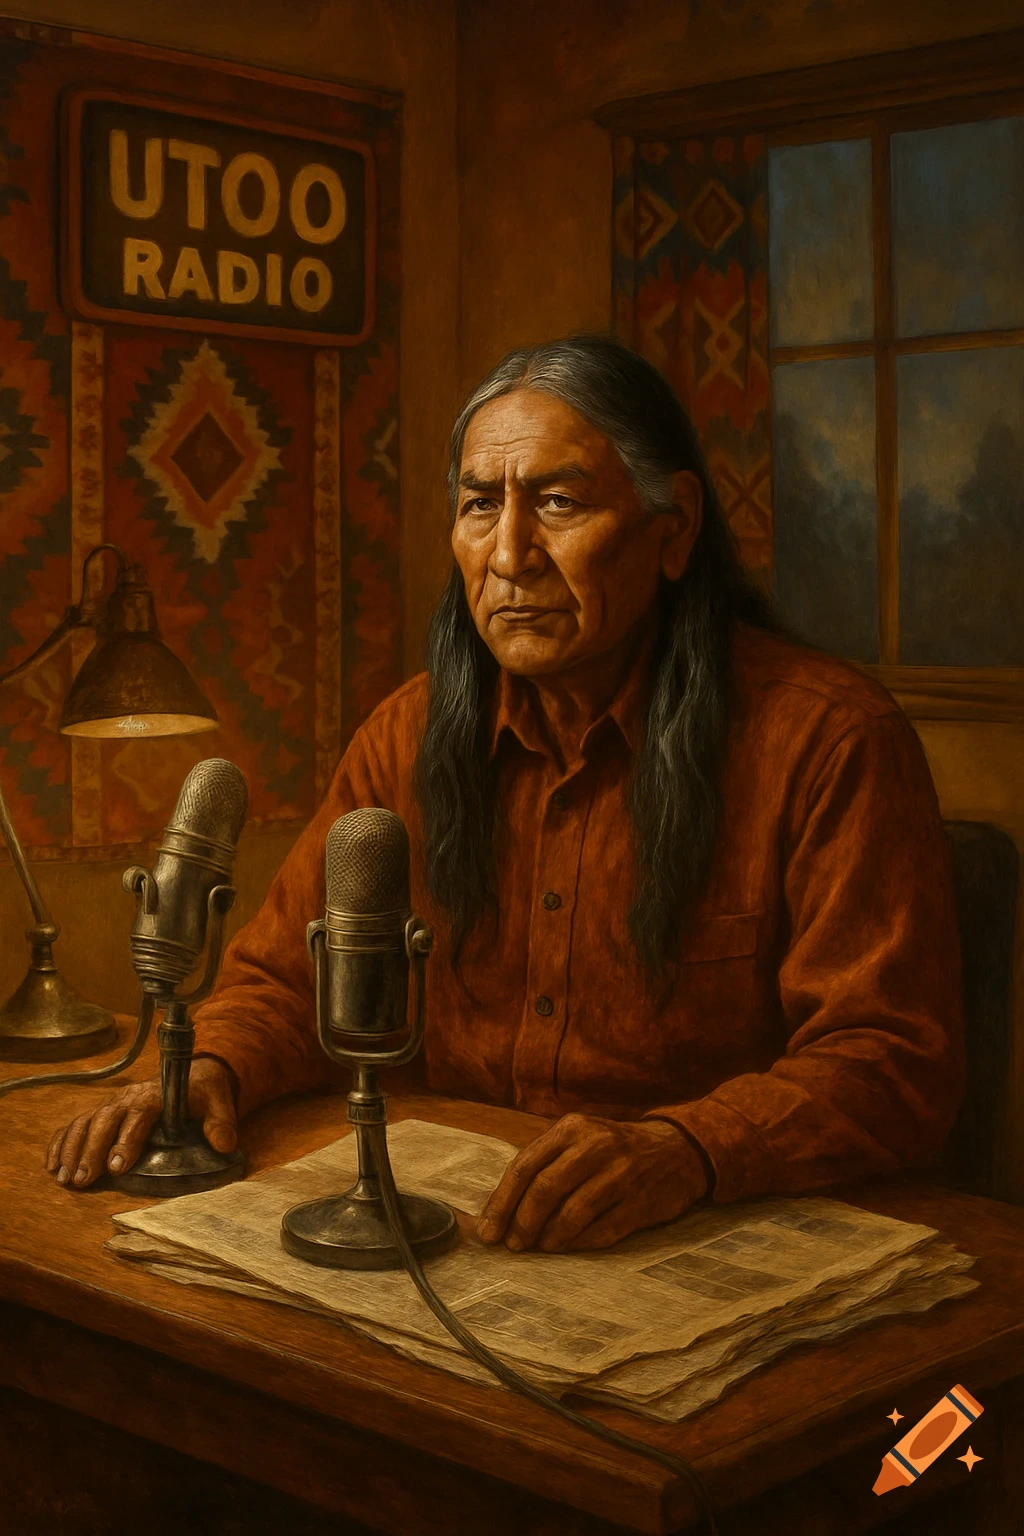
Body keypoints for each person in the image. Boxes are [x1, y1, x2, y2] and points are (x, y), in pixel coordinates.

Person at [46, 336, 964, 1254]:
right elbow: (288, 982)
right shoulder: (406, 737)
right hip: (445, 1226)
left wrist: (688, 1148)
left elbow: (891, 1062)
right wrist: (213, 1063)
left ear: (673, 527)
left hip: (702, 1234)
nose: (511, 553)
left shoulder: (827, 742)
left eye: (559, 502)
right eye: (480, 506)